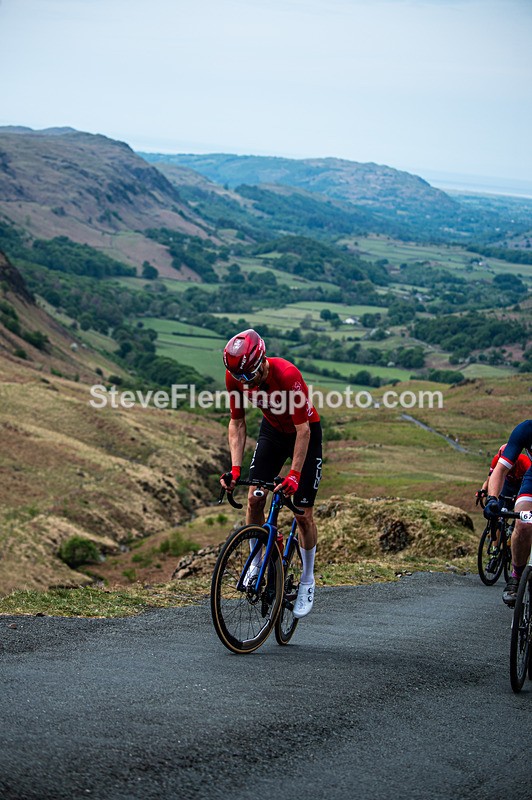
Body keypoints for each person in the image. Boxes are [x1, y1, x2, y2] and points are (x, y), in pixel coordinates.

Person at [220, 329, 322, 619]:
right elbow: (237, 423)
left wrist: (293, 475)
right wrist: (236, 469)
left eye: (251, 376)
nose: (246, 383)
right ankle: (256, 560)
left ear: (262, 360)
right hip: (272, 433)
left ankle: (307, 580)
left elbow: (303, 431)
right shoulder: (236, 376)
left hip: (305, 434)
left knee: (302, 514)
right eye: (241, 379)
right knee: (254, 498)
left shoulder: (287, 375)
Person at [484, 421, 532, 605]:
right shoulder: (526, 430)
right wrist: (492, 499)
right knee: (523, 522)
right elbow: (500, 470)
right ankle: (516, 576)